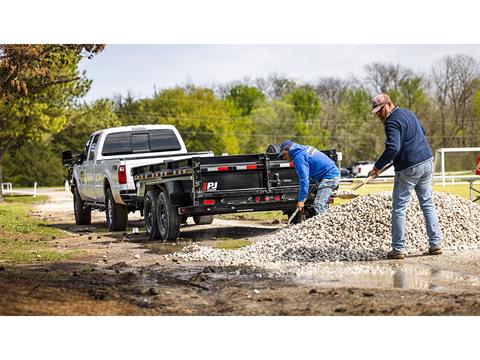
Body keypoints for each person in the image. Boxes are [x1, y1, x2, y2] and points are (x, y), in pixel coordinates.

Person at [368, 93, 442, 259]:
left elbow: (393, 147)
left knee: (399, 208)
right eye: (376, 112)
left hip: (410, 167)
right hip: (427, 160)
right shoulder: (409, 113)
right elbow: (421, 132)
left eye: (380, 110)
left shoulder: (391, 122)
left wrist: (377, 166)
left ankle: (398, 248)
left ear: (388, 105)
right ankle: (436, 244)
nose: (379, 114)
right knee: (427, 204)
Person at [278, 140, 340, 216]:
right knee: (321, 203)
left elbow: (304, 180)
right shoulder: (304, 149)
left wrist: (301, 200)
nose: (284, 157)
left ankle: (326, 226)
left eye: (284, 154)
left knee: (319, 205)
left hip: (330, 177)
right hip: (328, 174)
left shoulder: (299, 159)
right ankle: (327, 220)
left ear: (288, 149)